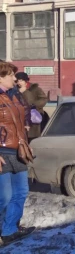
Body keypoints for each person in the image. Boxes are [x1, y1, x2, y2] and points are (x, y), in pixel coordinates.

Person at [0, 62, 35, 245]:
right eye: (11, 75)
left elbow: (24, 118)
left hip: (19, 150)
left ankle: (10, 229)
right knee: (5, 196)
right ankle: (5, 229)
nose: (15, 78)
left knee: (21, 192)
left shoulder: (14, 96)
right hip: (2, 152)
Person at [15, 72, 47, 141]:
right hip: (21, 116)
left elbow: (43, 99)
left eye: (21, 80)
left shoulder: (35, 88)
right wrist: (19, 93)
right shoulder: (15, 90)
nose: (19, 83)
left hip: (34, 115)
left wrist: (34, 105)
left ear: (26, 80)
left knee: (33, 137)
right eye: (17, 81)